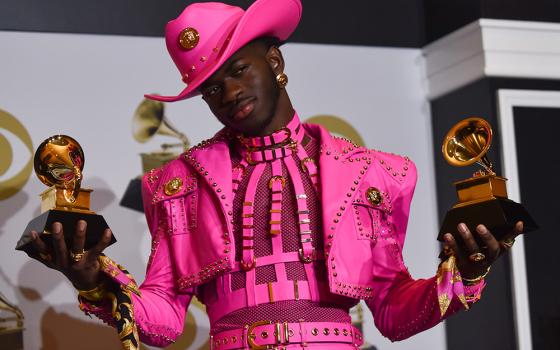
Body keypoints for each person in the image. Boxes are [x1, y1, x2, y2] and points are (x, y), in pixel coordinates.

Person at [26, 0, 523, 349]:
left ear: (275, 60)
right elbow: (164, 321)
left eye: (239, 70)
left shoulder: (376, 175)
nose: (229, 93)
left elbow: (392, 310)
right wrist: (94, 281)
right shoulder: (177, 187)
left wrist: (466, 272)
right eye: (212, 89)